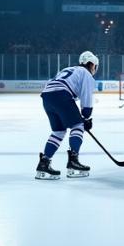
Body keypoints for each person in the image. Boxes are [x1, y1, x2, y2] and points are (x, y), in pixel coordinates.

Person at [36, 51, 98, 180]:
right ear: (91, 64)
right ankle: (73, 162)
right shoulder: (86, 73)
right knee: (78, 125)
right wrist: (86, 117)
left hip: (47, 96)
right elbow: (86, 98)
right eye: (95, 66)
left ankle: (44, 163)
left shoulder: (69, 69)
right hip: (61, 94)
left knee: (58, 131)